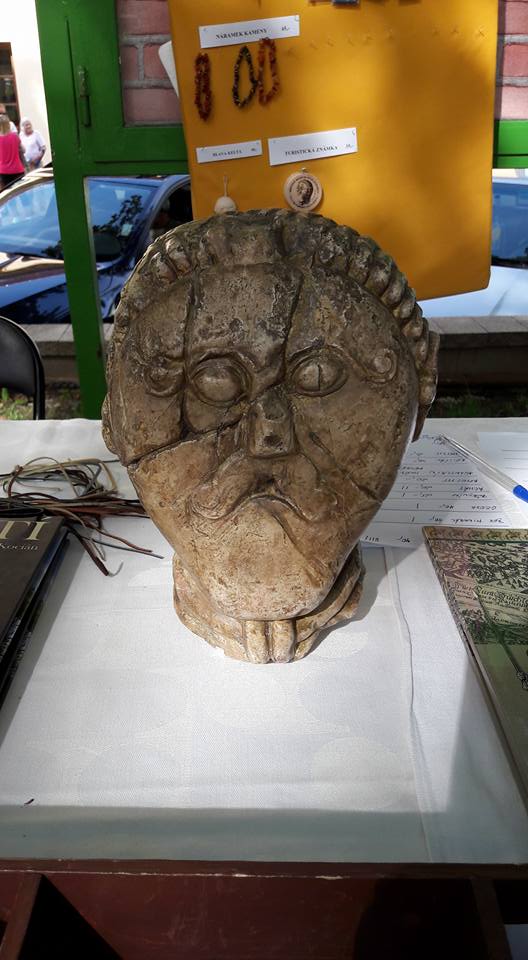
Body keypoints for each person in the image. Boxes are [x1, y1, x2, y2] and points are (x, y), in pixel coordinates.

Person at [0, 114, 25, 191]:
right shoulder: (15, 136)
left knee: (8, 195)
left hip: (4, 171)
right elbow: (24, 150)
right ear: (8, 124)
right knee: (21, 193)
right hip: (17, 170)